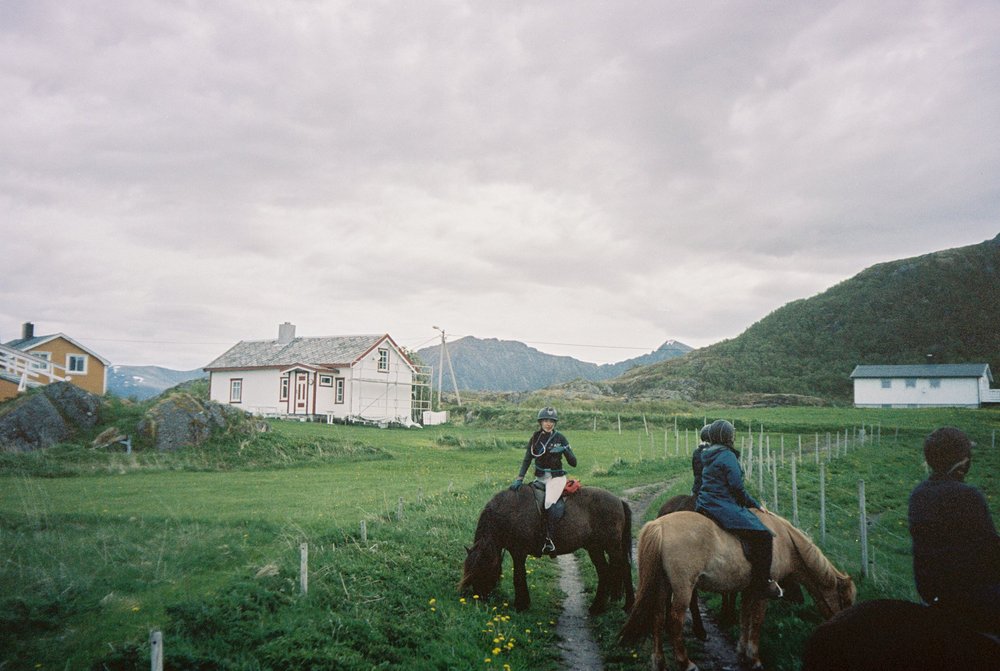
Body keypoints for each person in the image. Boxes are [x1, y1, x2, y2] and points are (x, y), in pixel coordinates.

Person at [908, 426, 1000, 635]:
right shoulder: (968, 496)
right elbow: (991, 552)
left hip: (931, 593)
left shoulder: (919, 494)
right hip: (973, 596)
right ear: (963, 461)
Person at [695, 419, 783, 600]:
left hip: (705, 503)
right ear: (728, 437)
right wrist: (754, 504)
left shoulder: (707, 453)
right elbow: (736, 487)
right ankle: (761, 584)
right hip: (722, 505)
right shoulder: (727, 455)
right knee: (764, 536)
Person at [510, 406, 577, 553]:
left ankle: (549, 539)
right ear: (540, 422)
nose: (548, 424)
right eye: (546, 420)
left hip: (556, 478)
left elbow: (574, 463)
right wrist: (520, 478)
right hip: (540, 479)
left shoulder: (560, 438)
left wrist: (566, 450)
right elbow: (527, 459)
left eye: (551, 421)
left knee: (549, 502)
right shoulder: (535, 438)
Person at [691, 424, 712, 498]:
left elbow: (695, 472)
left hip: (696, 488)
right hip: (709, 490)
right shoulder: (713, 452)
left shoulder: (696, 452)